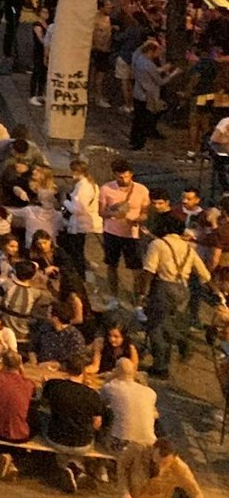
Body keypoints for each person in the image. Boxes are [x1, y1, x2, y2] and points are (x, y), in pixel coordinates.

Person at [139, 222, 207, 375]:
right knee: (167, 321)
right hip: (182, 289)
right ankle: (181, 342)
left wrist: (143, 293)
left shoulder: (158, 244)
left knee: (154, 326)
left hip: (163, 288)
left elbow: (149, 270)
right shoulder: (189, 248)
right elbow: (204, 274)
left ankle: (160, 365)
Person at [40, 350, 104, 491]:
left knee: (42, 415)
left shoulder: (54, 385)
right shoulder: (92, 395)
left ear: (66, 369)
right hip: (82, 444)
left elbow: (43, 403)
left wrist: (45, 384)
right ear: (83, 371)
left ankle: (67, 466)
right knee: (84, 435)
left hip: (55, 438)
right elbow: (97, 425)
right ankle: (75, 466)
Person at [98, 158, 151, 303]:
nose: (124, 179)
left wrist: (137, 219)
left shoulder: (142, 190)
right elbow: (101, 212)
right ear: (115, 175)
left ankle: (137, 299)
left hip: (132, 234)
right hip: (111, 232)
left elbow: (145, 213)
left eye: (127, 176)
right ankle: (113, 296)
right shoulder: (106, 189)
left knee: (136, 269)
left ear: (131, 174)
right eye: (120, 177)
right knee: (111, 265)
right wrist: (114, 214)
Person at [99, 358, 158, 463]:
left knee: (100, 430)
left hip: (122, 445)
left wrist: (109, 379)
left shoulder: (110, 387)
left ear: (116, 371)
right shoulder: (150, 392)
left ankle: (101, 466)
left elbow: (100, 404)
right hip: (148, 445)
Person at [59, 157, 101, 282]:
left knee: (76, 252)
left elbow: (78, 209)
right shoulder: (89, 185)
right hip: (80, 223)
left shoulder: (84, 187)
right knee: (76, 250)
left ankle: (79, 276)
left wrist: (65, 202)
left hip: (80, 224)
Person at [0, 350, 32, 445]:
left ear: (3, 363)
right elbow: (26, 383)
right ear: (20, 366)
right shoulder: (28, 384)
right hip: (19, 435)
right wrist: (22, 373)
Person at [125, 439, 202, 498]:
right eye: (156, 462)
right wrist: (124, 492)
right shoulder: (139, 455)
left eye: (164, 463)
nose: (159, 467)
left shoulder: (180, 469)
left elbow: (196, 493)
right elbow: (122, 472)